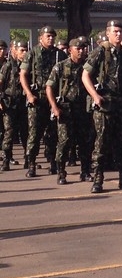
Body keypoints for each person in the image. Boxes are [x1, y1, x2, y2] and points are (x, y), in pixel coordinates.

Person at [82, 20, 122, 193]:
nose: (118, 34)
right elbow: (85, 75)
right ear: (108, 33)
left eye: (120, 32)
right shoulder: (100, 52)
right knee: (101, 143)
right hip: (105, 105)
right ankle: (97, 180)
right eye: (115, 31)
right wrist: (95, 95)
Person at [20, 25, 67, 177]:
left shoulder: (60, 54)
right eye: (48, 36)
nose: (51, 38)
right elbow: (23, 75)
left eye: (53, 36)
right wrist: (28, 94)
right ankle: (31, 163)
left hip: (54, 98)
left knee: (53, 134)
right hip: (37, 98)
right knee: (34, 133)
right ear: (40, 37)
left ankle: (53, 162)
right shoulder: (32, 53)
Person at [46, 38, 93, 184]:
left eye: (83, 48)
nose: (81, 51)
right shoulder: (60, 67)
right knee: (65, 141)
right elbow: (49, 87)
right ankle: (61, 172)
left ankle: (85, 171)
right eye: (78, 48)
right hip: (65, 109)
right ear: (70, 50)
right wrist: (54, 107)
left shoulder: (88, 67)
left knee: (85, 142)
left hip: (83, 109)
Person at [0, 40, 29, 171]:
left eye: (25, 50)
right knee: (9, 133)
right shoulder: (7, 66)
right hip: (9, 105)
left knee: (26, 133)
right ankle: (6, 159)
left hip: (23, 104)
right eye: (21, 50)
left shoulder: (27, 65)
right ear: (14, 50)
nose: (24, 53)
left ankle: (29, 159)